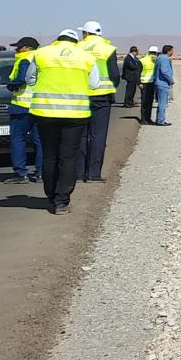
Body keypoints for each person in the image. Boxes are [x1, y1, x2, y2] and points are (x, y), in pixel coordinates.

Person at [26, 28, 100, 215]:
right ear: (75, 42)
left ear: (57, 39)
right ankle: (62, 201)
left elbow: (30, 79)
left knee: (49, 155)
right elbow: (94, 84)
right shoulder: (85, 56)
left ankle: (50, 196)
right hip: (75, 114)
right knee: (68, 157)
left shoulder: (41, 54)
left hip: (46, 112)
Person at [77, 21, 119, 183]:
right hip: (102, 97)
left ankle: (79, 173)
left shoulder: (78, 48)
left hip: (81, 96)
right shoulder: (108, 49)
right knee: (98, 135)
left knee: (81, 135)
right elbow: (114, 74)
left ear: (86, 34)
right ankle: (94, 173)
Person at [3, 36, 45, 185]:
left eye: (19, 47)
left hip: (22, 106)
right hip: (39, 105)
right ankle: (41, 173)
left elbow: (22, 79)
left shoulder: (25, 59)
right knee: (39, 141)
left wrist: (11, 86)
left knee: (18, 139)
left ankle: (21, 174)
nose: (16, 49)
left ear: (27, 48)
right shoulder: (42, 59)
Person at [153, 45, 175, 126]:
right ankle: (160, 120)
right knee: (163, 103)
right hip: (163, 83)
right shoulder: (164, 59)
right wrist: (170, 80)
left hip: (158, 82)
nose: (173, 52)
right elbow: (164, 71)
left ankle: (159, 119)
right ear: (168, 51)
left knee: (161, 102)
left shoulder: (159, 58)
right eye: (172, 51)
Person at [138, 46, 158, 123]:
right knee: (144, 102)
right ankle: (143, 119)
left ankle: (148, 118)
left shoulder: (155, 61)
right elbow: (138, 72)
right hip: (144, 83)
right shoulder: (142, 60)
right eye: (154, 53)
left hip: (152, 83)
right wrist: (139, 83)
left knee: (150, 101)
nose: (155, 55)